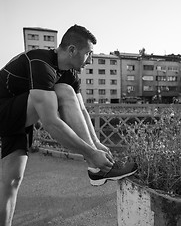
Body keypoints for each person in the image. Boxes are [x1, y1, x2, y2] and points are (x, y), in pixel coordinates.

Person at [0, 24, 137, 226]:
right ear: (72, 50)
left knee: (12, 181)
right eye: (88, 54)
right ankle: (95, 167)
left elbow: (81, 110)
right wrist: (90, 154)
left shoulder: (70, 74)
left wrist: (97, 144)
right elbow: (51, 123)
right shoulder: (41, 62)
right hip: (4, 110)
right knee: (63, 90)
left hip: (19, 119)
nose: (90, 60)